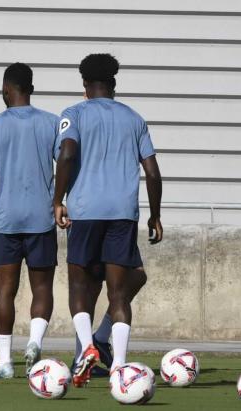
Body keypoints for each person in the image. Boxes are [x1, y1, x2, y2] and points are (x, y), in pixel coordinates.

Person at [53, 53, 163, 387]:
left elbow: (68, 153)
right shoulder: (134, 119)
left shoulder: (73, 114)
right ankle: (119, 368)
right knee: (119, 294)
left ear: (84, 84)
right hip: (122, 213)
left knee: (80, 287)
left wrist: (57, 200)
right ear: (113, 84)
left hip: (86, 211)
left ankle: (87, 348)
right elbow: (153, 173)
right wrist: (155, 215)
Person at [0, 63, 59, 379]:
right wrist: (62, 202)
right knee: (42, 287)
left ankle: (4, 363)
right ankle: (34, 342)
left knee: (5, 290)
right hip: (41, 219)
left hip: (6, 221)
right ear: (30, 88)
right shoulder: (52, 124)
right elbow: (70, 162)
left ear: (6, 89)